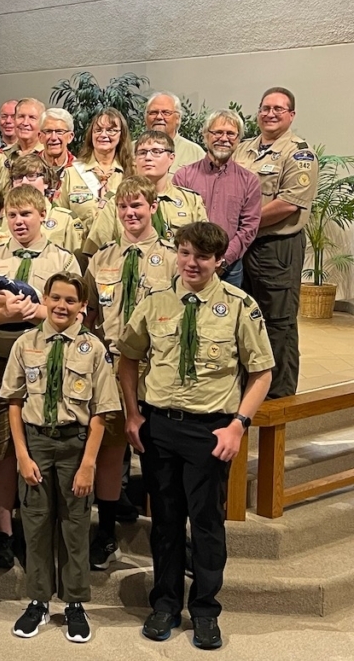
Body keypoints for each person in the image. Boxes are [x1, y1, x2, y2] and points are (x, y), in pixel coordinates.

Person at [119, 222, 273, 650]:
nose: (191, 263)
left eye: (202, 257)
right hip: (160, 425)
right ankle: (165, 603)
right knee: (165, 521)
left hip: (212, 429)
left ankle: (205, 610)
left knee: (206, 524)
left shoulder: (240, 305)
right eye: (184, 253)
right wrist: (133, 414)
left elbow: (261, 372)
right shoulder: (154, 303)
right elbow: (129, 359)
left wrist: (239, 424)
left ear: (219, 260)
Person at [0, 185, 79, 570]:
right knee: (2, 450)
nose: (19, 222)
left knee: (41, 449)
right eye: (12, 215)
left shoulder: (63, 260)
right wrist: (3, 314)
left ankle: (37, 532)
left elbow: (76, 313)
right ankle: (3, 532)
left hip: (48, 363)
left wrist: (38, 315)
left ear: (43, 214)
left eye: (26, 214)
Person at [3, 273, 119, 643]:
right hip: (36, 442)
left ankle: (74, 603)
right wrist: (21, 454)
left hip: (74, 444)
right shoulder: (26, 343)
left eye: (71, 300)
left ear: (82, 306)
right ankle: (38, 599)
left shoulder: (93, 348)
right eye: (55, 298)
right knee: (35, 524)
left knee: (74, 525)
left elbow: (102, 411)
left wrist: (88, 464)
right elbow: (15, 401)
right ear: (45, 299)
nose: (61, 306)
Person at [82, 177, 177, 570]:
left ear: (153, 206)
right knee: (111, 450)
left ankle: (169, 539)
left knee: (162, 457)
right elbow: (88, 313)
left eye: (137, 205)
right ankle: (106, 533)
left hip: (158, 368)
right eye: (123, 208)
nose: (131, 213)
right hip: (112, 367)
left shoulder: (173, 258)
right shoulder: (101, 259)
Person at [233, 87, 316, 400]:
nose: (270, 113)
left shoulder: (299, 153)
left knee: (277, 321)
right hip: (244, 245)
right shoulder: (243, 149)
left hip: (277, 247)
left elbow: (289, 203)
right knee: (244, 317)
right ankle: (248, 388)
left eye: (279, 109)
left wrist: (243, 224)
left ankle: (279, 396)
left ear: (291, 115)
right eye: (265, 107)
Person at [174, 110, 262, 288]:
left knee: (226, 315)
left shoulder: (249, 181)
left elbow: (249, 227)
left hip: (229, 268)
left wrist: (223, 259)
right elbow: (177, 222)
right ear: (206, 135)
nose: (224, 138)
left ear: (238, 139)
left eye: (231, 133)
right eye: (218, 132)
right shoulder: (183, 176)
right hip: (191, 266)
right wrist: (198, 257)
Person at [83, 131, 208, 256]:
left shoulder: (190, 201)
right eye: (142, 153)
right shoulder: (116, 200)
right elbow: (95, 253)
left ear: (171, 158)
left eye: (156, 152)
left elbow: (205, 249)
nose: (148, 157)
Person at [56, 108, 134, 236]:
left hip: (121, 249)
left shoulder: (132, 171)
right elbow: (59, 215)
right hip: (79, 250)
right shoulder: (72, 172)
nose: (103, 135)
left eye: (111, 130)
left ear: (122, 135)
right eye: (98, 130)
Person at [0, 155, 84, 253]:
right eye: (18, 177)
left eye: (31, 176)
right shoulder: (3, 222)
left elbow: (77, 263)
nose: (24, 182)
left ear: (46, 181)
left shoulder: (66, 220)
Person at [144, 92, 205, 172]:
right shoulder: (130, 150)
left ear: (177, 118)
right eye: (153, 112)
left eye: (166, 113)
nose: (159, 117)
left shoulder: (195, 153)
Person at [38, 108, 76, 187]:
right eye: (48, 131)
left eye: (59, 132)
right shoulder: (27, 168)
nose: (53, 137)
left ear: (70, 137)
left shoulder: (80, 170)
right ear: (40, 137)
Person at [4, 98, 45, 162]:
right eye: (21, 116)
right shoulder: (4, 155)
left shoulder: (48, 155)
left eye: (32, 117)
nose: (25, 123)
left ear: (42, 123)